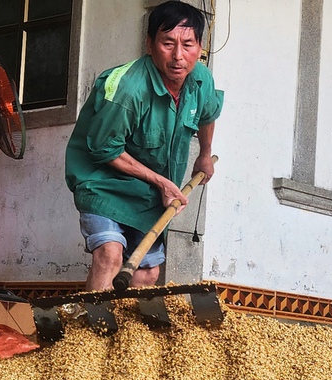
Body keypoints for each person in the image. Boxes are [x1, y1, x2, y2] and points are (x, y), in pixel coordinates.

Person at [65, 1, 222, 291]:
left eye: (188, 44)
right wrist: (161, 182)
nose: (178, 56)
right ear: (149, 44)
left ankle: (125, 335)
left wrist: (203, 155)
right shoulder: (128, 89)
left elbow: (208, 113)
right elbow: (104, 149)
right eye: (167, 43)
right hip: (103, 183)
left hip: (149, 195)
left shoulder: (201, 80)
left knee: (146, 274)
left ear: (200, 47)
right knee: (110, 256)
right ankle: (87, 334)